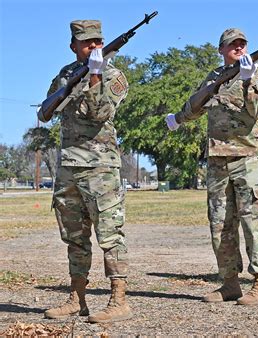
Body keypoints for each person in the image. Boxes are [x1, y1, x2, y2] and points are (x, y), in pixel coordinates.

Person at [166, 28, 258, 305]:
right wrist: (178, 118)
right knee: (220, 224)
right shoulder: (214, 78)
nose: (239, 49)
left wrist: (248, 80)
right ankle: (229, 283)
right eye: (232, 45)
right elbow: (193, 109)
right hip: (217, 160)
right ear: (222, 50)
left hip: (248, 158)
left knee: (253, 221)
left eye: (242, 44)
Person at [40, 20, 131, 322]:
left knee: (110, 235)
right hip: (69, 166)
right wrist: (72, 83)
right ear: (74, 46)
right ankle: (77, 299)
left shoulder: (114, 76)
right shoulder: (65, 74)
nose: (94, 47)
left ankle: (119, 301)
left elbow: (100, 112)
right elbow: (45, 111)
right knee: (74, 237)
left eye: (98, 42)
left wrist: (93, 75)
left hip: (100, 167)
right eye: (87, 42)